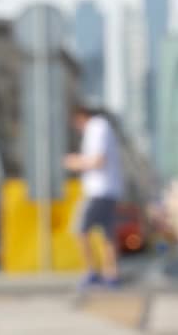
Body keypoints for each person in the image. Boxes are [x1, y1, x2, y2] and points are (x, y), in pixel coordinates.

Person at [64, 105, 123, 289]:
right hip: (109, 190)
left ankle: (91, 272)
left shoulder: (96, 127)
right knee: (107, 235)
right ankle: (111, 274)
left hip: (99, 191)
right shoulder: (103, 127)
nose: (76, 128)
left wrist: (75, 162)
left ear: (80, 117)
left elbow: (98, 161)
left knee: (79, 229)